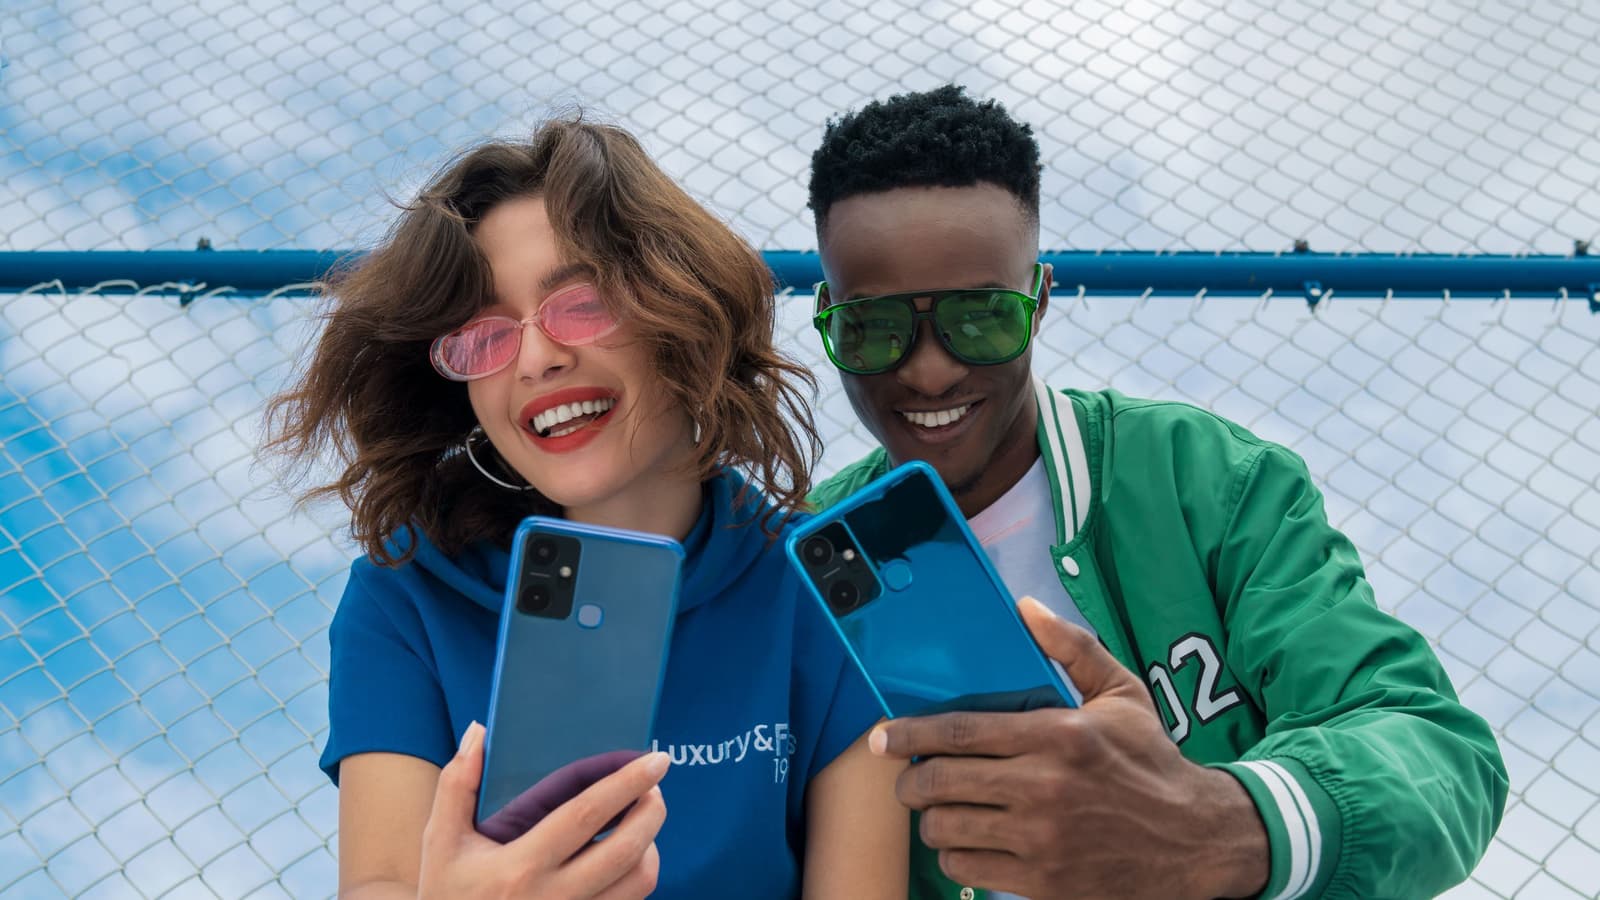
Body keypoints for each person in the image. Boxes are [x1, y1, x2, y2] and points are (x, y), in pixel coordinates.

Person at [805, 84, 1507, 900]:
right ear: (828, 318)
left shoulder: (1205, 479)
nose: (929, 371)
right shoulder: (804, 556)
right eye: (873, 328)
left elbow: (1440, 755)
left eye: (981, 318)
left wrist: (1215, 825)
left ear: (1039, 301)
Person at [266, 114, 906, 898]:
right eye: (483, 336)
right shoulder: (405, 594)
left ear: (682, 306)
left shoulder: (830, 586)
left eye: (581, 302)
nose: (535, 358)